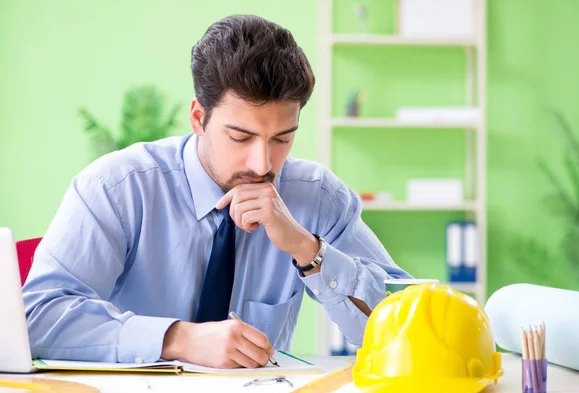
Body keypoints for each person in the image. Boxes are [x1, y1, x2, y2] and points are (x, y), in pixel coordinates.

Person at [22, 14, 412, 369]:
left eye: (282, 138)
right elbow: (36, 318)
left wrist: (309, 251)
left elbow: (407, 332)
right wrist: (178, 338)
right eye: (241, 137)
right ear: (198, 118)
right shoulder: (117, 187)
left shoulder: (318, 196)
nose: (262, 165)